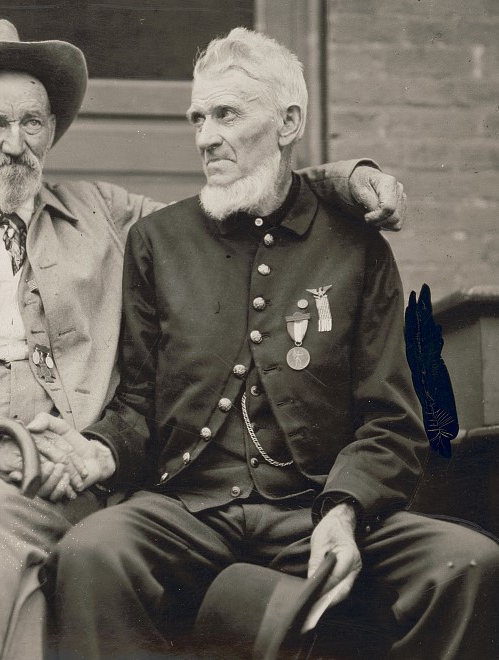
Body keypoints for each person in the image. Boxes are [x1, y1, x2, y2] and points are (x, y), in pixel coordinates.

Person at [0, 19, 408, 660]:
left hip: (72, 474)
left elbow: (238, 203)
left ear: (51, 131)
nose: (15, 144)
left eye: (32, 123)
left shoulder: (106, 216)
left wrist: (344, 181)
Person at [43, 28, 499, 659]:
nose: (205, 137)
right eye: (197, 118)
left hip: (316, 504)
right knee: (92, 552)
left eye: (227, 114)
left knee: (468, 564)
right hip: (187, 509)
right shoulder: (157, 241)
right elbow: (138, 405)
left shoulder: (356, 247)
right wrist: (100, 450)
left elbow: (393, 423)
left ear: (289, 122)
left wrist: (343, 510)